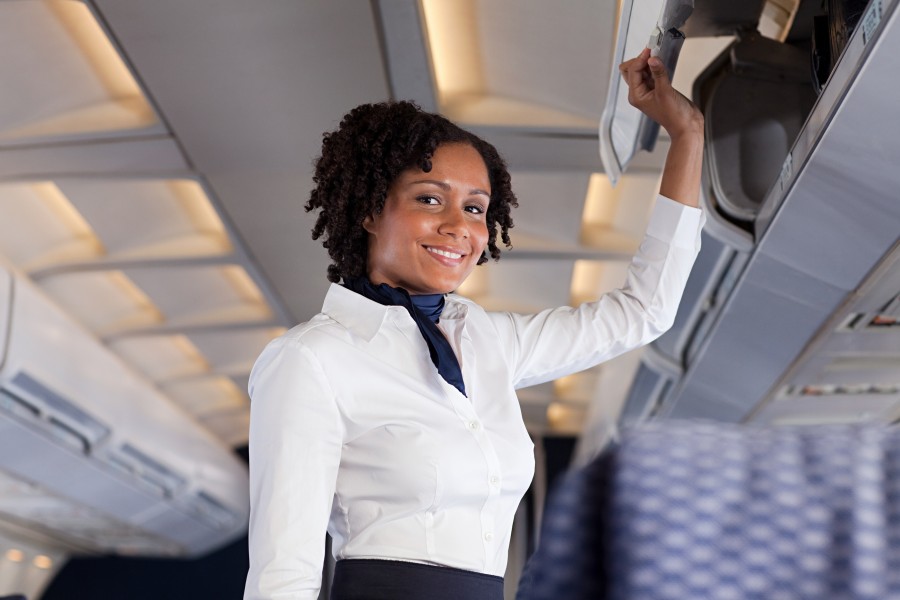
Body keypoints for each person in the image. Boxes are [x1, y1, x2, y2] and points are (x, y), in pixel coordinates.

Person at [244, 48, 705, 600]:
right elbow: (282, 573)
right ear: (369, 210)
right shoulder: (312, 359)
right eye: (429, 199)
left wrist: (688, 135)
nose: (457, 227)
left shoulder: (488, 342)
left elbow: (643, 312)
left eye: (475, 208)